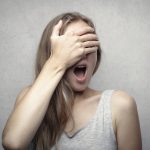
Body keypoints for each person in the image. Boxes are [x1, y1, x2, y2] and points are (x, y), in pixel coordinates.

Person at [2, 12, 142, 150]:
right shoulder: (28, 97)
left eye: (87, 44)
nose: (80, 52)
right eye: (71, 46)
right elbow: (13, 143)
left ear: (97, 54)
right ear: (52, 53)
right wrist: (56, 63)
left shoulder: (119, 105)